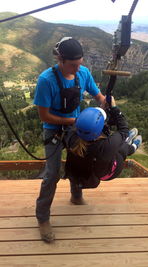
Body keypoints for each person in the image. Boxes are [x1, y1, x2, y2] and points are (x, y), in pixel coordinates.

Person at [33, 37, 105, 243]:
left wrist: (106, 104)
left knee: (80, 161)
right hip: (54, 129)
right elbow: (44, 116)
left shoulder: (83, 72)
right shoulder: (46, 80)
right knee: (52, 174)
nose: (77, 67)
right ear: (60, 60)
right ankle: (43, 218)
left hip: (77, 126)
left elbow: (98, 95)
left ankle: (76, 195)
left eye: (80, 62)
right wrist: (74, 119)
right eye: (73, 64)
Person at [64, 96, 142, 201]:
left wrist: (100, 109)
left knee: (116, 145)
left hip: (82, 175)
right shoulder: (106, 146)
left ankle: (127, 142)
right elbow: (123, 130)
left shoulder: (71, 137)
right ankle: (132, 146)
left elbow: (82, 123)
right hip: (107, 173)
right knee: (122, 148)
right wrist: (114, 108)